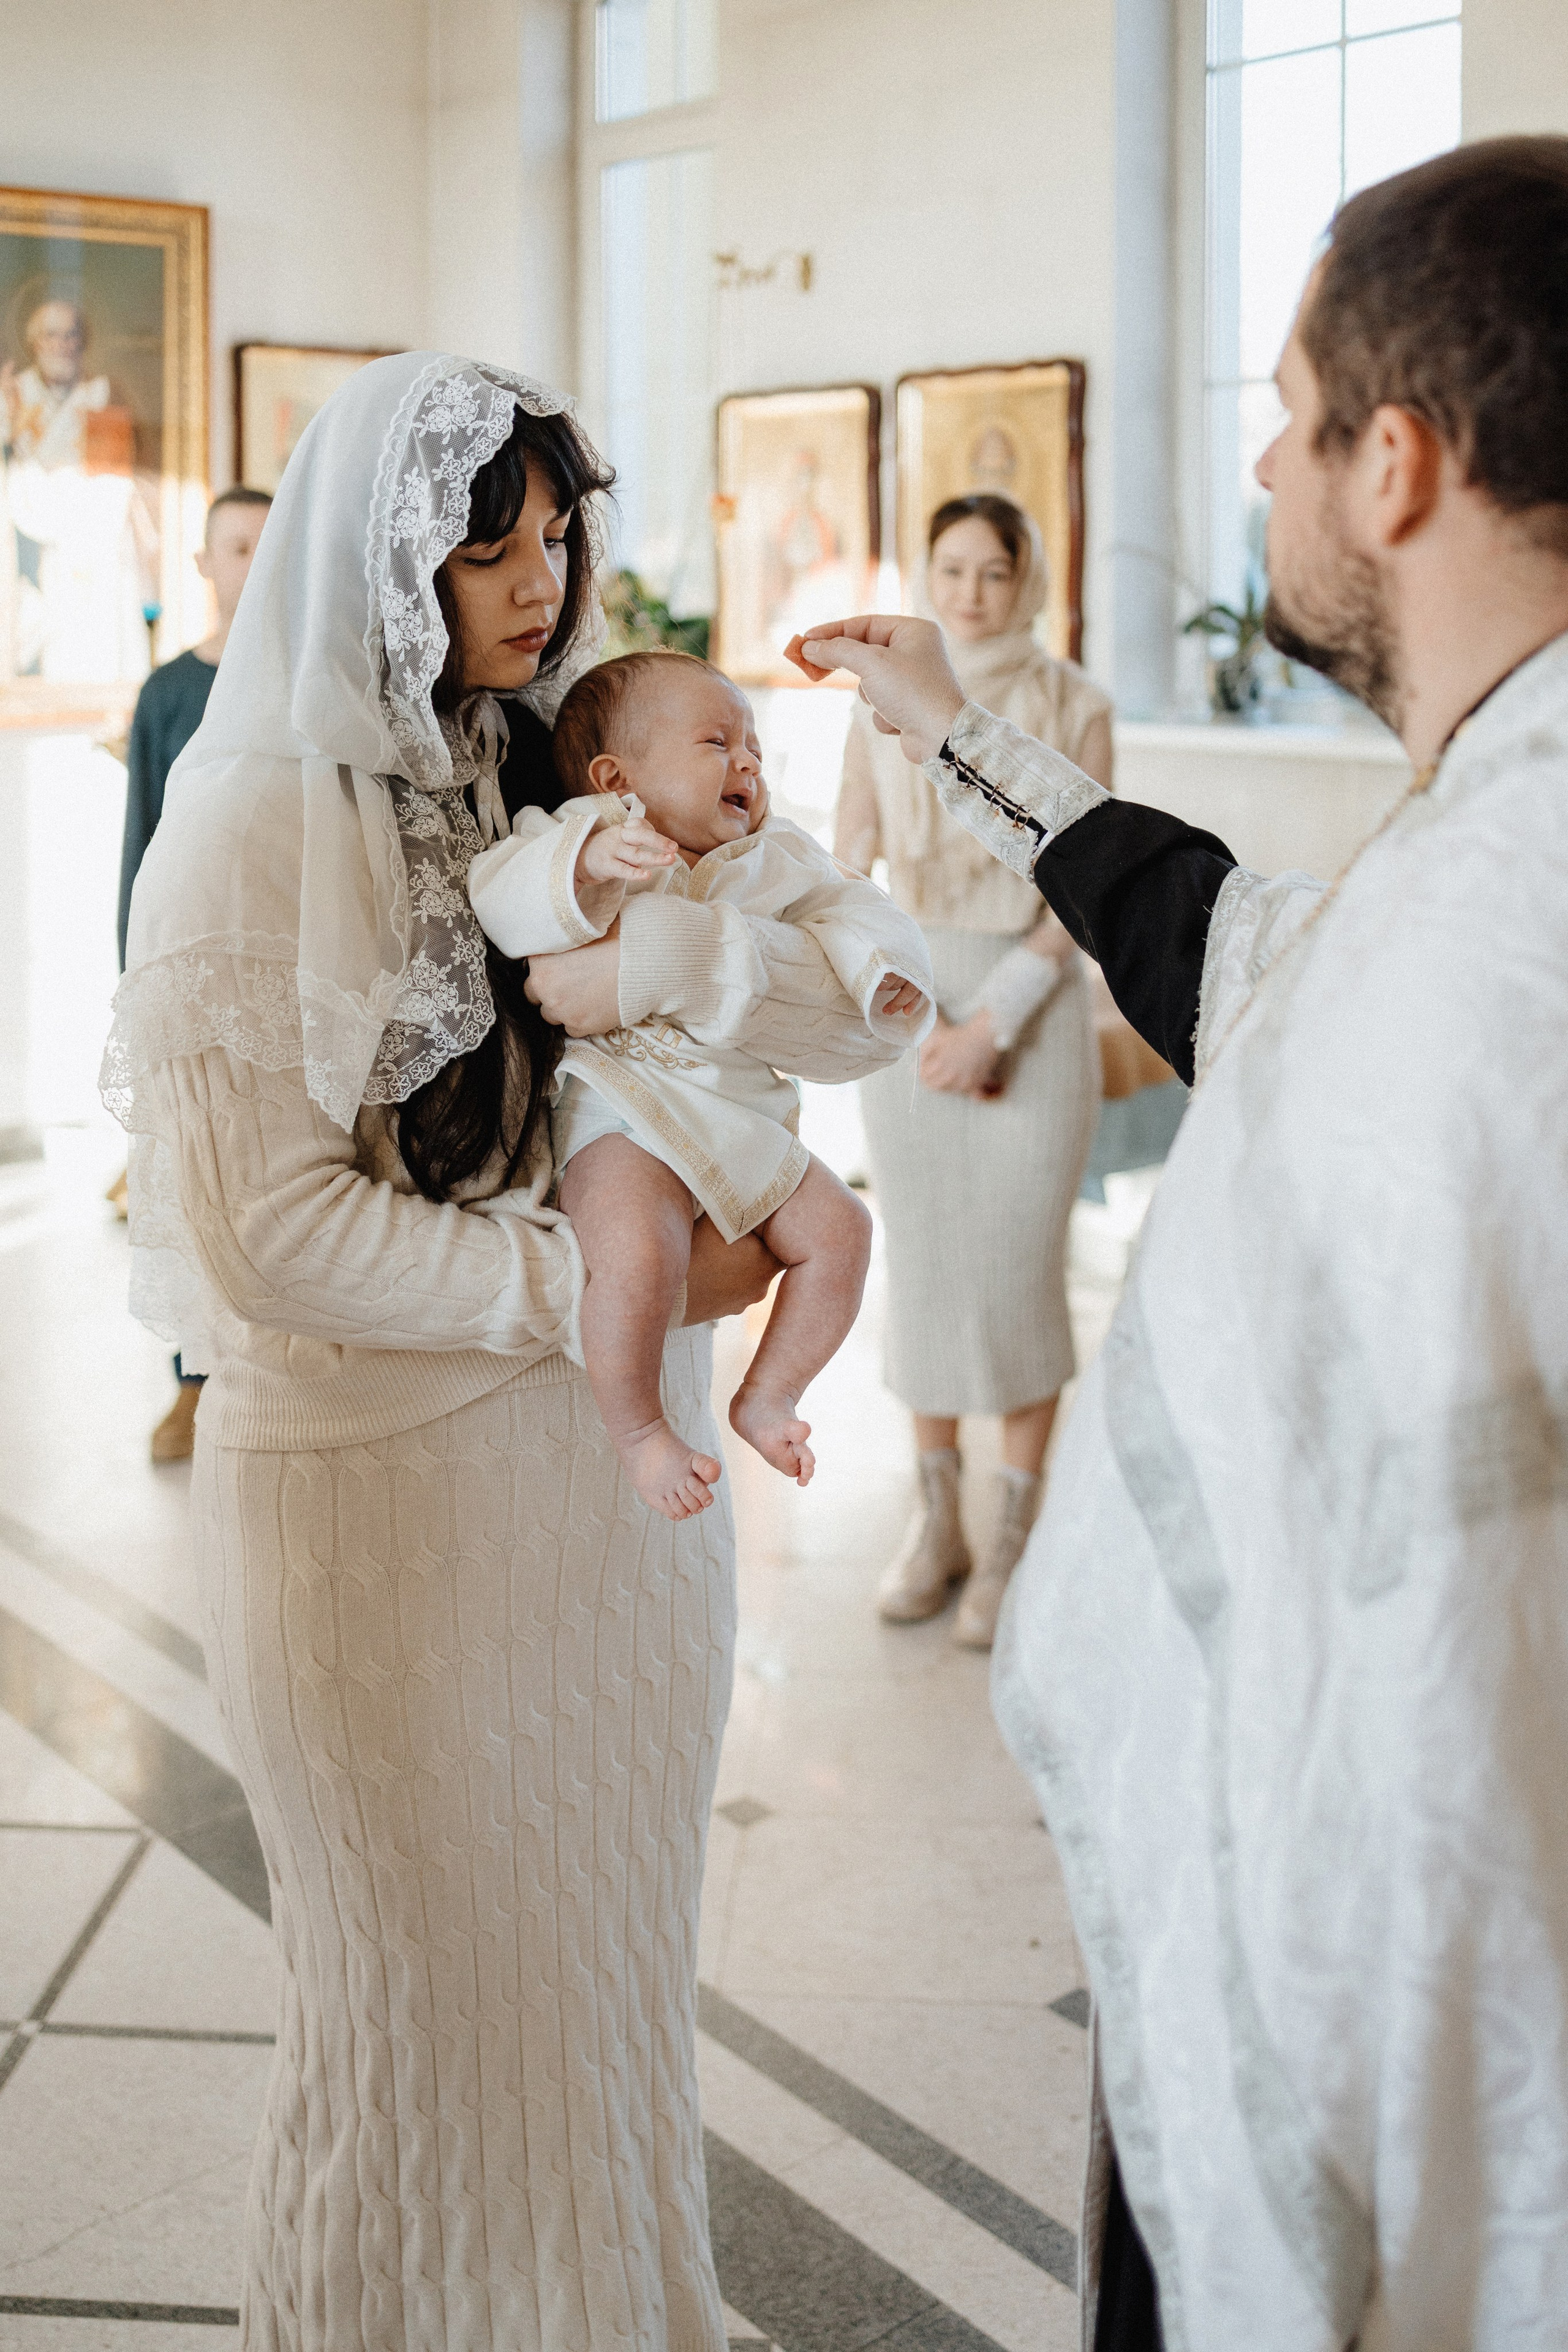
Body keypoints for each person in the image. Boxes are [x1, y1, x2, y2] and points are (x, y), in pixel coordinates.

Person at [789, 135, 1568, 2352]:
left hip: (1388, 2031)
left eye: (1286, 415)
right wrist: (952, 732)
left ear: (1392, 465)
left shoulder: (1487, 942)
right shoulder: (1490, 823)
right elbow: (1238, 942)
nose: (1256, 464)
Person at [105, 352, 913, 2352]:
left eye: (558, 535)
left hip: (607, 1524)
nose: (539, 583)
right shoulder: (250, 821)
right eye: (487, 545)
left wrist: (734, 946)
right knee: (415, 2030)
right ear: (381, 554)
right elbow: (261, 1234)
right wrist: (604, 1297)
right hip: (383, 1516)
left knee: (606, 1999)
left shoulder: (540, 766)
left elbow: (778, 1016)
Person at [469, 648, 932, 1517]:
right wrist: (584, 862)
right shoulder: (578, 835)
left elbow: (853, 907)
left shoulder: (774, 854)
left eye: (752, 746)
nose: (747, 763)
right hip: (624, 1111)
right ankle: (641, 1430)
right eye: (718, 742)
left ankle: (769, 1393)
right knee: (638, 1254)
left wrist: (879, 969)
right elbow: (497, 897)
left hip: (739, 1117)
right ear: (617, 779)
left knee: (844, 1230)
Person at [834, 493, 1110, 1647]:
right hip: (910, 1001)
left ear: (1025, 578)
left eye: (994, 571)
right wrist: (901, 1002)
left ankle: (1013, 1534)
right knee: (930, 1271)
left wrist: (994, 1022)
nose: (971, 593)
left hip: (1029, 1009)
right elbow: (847, 870)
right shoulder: (878, 701)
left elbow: (1090, 887)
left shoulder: (1074, 702)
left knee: (1017, 1275)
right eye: (951, 569)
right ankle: (937, 1519)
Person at [113, 484, 271, 1463]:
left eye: (268, 545)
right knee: (190, 1183)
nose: (252, 565)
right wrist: (133, 980)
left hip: (275, 966)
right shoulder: (169, 693)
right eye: (236, 548)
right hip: (186, 969)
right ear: (207, 565)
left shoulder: (303, 679)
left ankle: (265, 1375)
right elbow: (141, 847)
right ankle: (191, 1382)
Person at [0, 295, 156, 682]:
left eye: (71, 335)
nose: (62, 345)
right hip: (26, 544)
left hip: (91, 543)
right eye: (51, 335)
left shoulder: (103, 394)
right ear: (34, 342)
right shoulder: (13, 393)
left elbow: (111, 482)